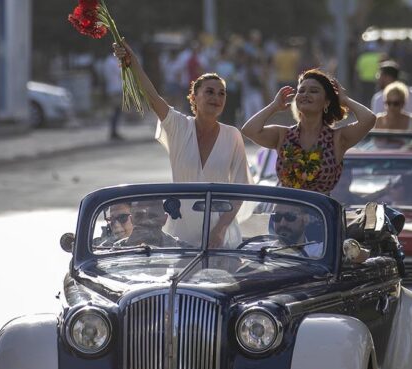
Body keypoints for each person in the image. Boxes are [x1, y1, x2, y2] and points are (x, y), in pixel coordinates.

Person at [112, 39, 251, 249]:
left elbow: (240, 191)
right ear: (194, 97)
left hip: (221, 237)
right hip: (180, 236)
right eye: (210, 92)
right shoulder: (178, 126)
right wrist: (132, 63)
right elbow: (152, 96)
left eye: (222, 93)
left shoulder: (232, 136)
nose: (216, 97)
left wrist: (220, 229)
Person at [241, 68, 376, 194]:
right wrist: (274, 106)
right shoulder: (283, 135)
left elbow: (369, 119)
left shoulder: (337, 138)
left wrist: (345, 100)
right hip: (284, 217)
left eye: (314, 91)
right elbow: (249, 130)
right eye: (301, 91)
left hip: (321, 216)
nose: (305, 94)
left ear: (326, 102)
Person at [113, 200, 188, 248]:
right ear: (132, 220)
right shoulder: (118, 248)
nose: (145, 222)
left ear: (164, 220)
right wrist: (130, 246)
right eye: (139, 216)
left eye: (152, 216)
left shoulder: (180, 248)